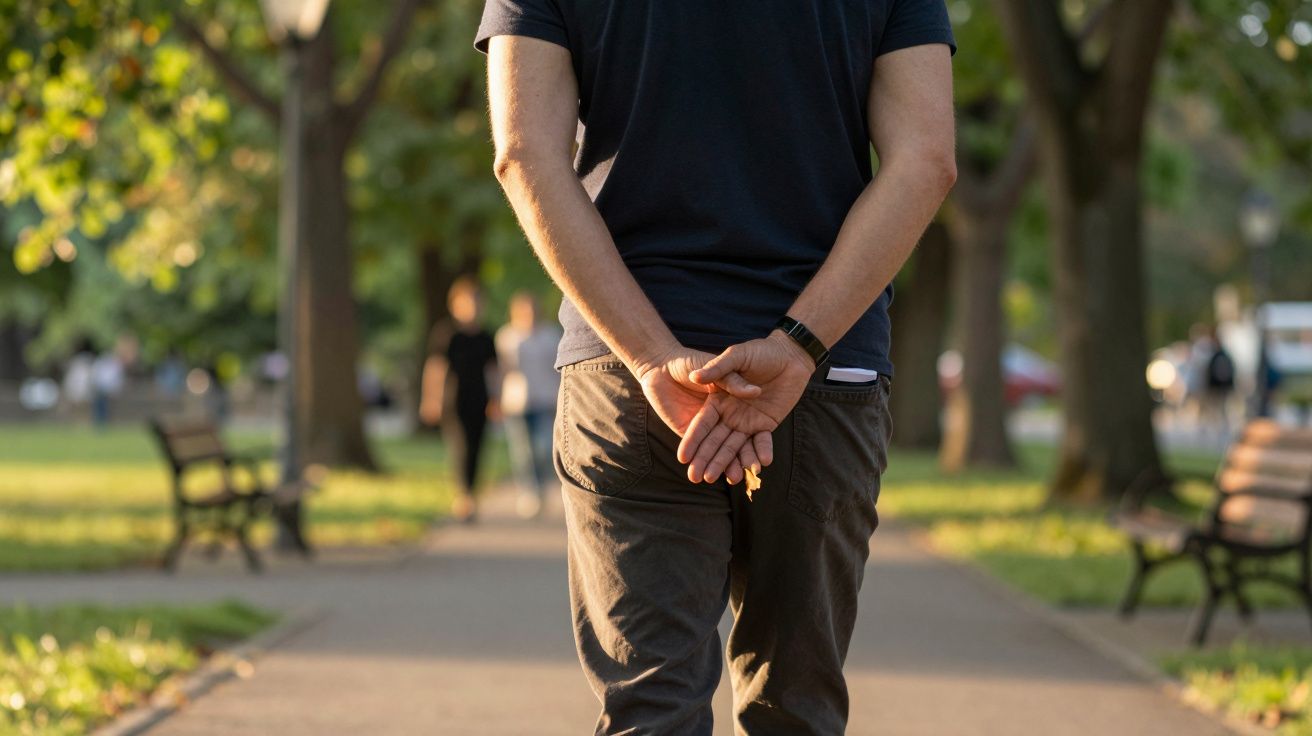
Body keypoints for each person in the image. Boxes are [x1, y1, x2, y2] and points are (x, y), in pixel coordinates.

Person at [478, 0, 956, 731]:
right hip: (824, 376)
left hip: (626, 378)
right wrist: (799, 345)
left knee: (651, 709)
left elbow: (523, 153)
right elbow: (925, 159)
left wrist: (650, 356)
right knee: (796, 710)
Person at [421, 277, 499, 523]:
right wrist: (430, 399)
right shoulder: (446, 334)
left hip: (481, 399)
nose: (473, 307)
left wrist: (497, 398)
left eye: (477, 302)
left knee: (477, 448)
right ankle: (464, 496)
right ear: (455, 305)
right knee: (460, 446)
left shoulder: (487, 337)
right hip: (452, 400)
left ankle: (470, 493)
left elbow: (494, 371)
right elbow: (435, 367)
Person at [495, 291, 562, 519]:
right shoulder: (507, 337)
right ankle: (529, 492)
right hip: (516, 402)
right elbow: (501, 371)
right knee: (522, 451)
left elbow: (559, 371)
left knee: (544, 449)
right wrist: (495, 398)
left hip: (545, 399)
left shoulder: (551, 336)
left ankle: (542, 487)